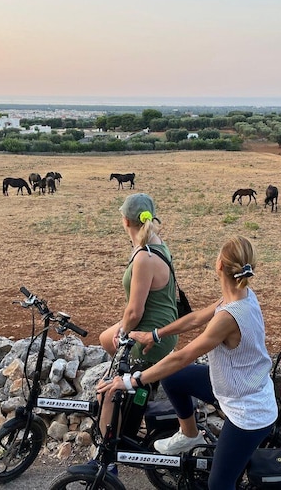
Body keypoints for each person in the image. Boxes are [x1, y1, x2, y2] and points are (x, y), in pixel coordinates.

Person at [98, 236, 277, 490]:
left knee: (219, 483)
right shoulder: (239, 295)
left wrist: (131, 380)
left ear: (219, 266)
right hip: (237, 385)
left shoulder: (229, 316)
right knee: (174, 379)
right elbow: (194, 319)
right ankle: (190, 435)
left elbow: (183, 356)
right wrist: (155, 334)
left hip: (248, 411)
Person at [96, 193, 179, 455]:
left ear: (125, 221)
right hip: (163, 327)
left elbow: (134, 312)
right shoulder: (157, 244)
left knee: (106, 393)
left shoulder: (143, 257)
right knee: (103, 338)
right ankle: (139, 384)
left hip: (150, 336)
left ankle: (107, 455)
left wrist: (123, 331)